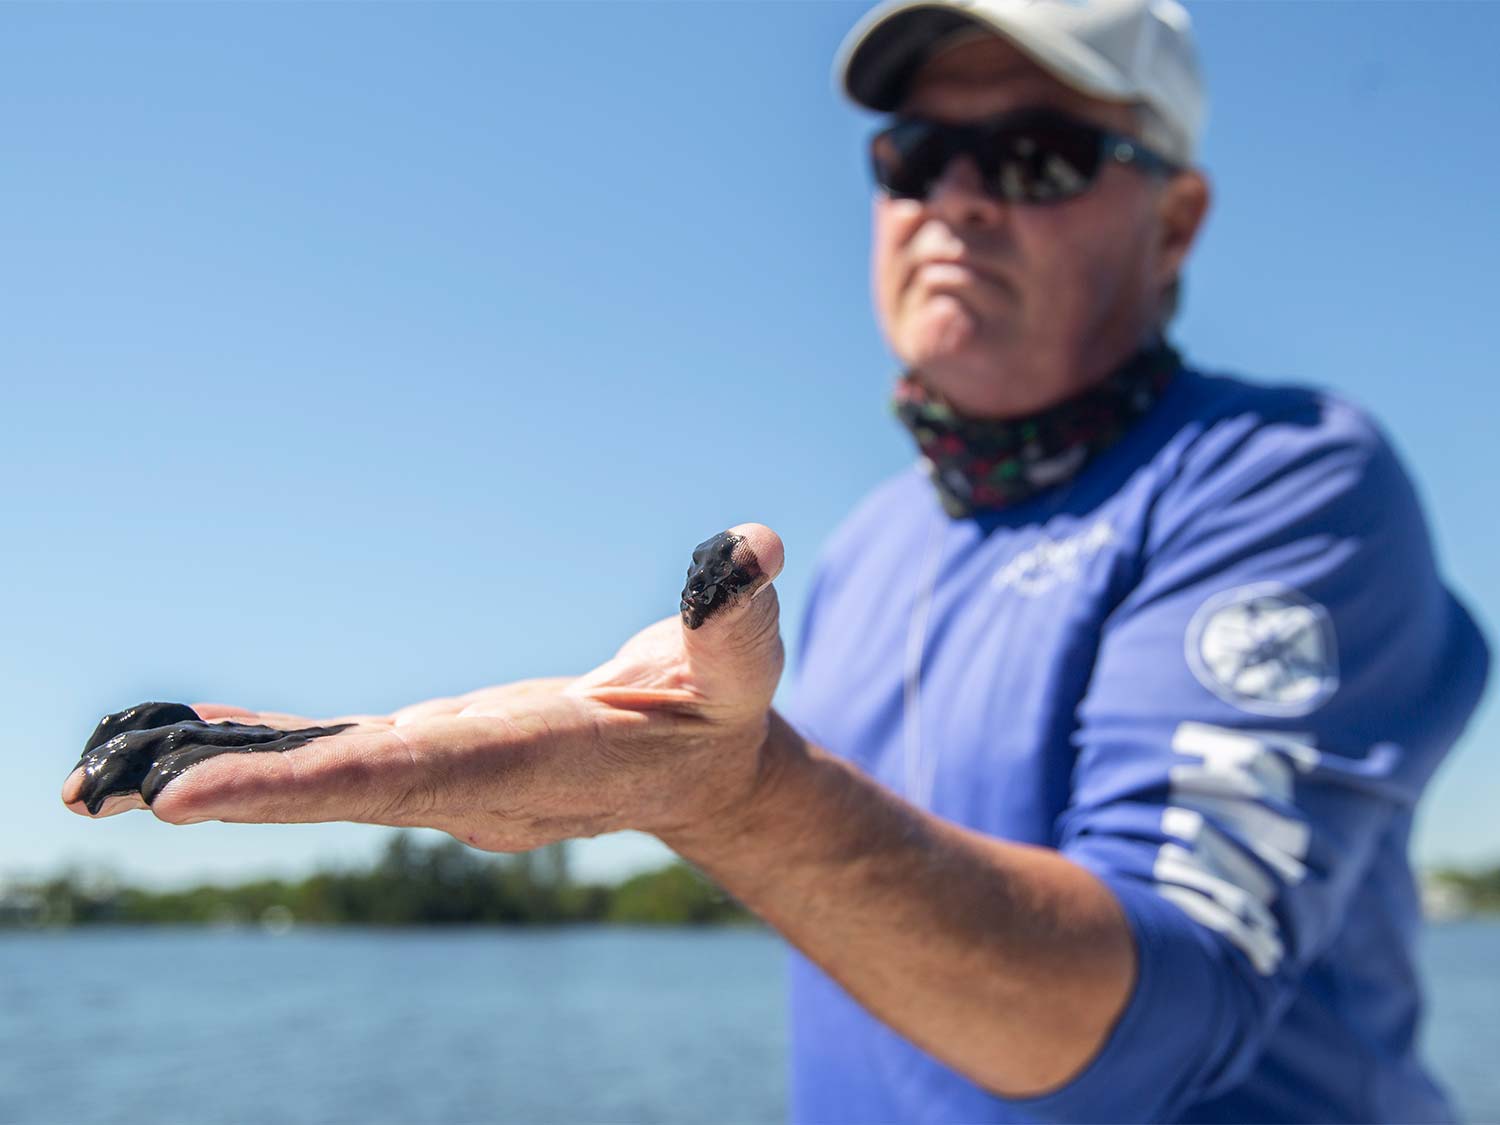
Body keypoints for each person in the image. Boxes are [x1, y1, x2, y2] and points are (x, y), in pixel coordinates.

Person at [63, 0, 1489, 1120]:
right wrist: (674, 767)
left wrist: (739, 797)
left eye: (1039, 154)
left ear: (1175, 218)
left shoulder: (1290, 479)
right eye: (916, 157)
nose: (959, 199)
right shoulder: (865, 550)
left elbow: (1146, 1024)